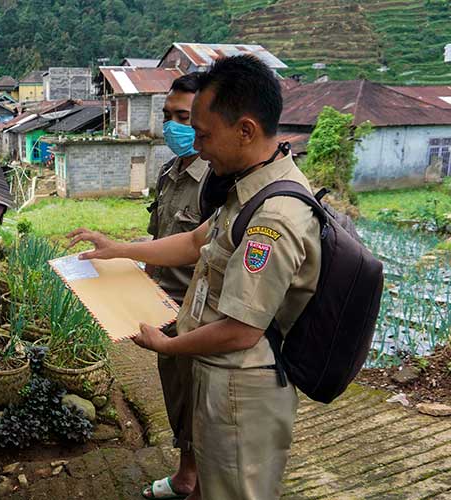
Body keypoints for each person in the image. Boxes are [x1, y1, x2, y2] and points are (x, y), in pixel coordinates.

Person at [68, 54, 320, 500]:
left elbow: (242, 330)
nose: (197, 146)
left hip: (244, 386)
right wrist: (118, 250)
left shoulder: (273, 216)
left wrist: (168, 345)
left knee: (235, 489)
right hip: (218, 374)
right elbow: (191, 243)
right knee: (210, 481)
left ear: (246, 129)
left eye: (204, 134)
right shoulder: (245, 188)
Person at [142, 74, 209, 500]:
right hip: (163, 306)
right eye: (167, 116)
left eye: (182, 116)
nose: (172, 126)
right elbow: (158, 240)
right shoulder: (168, 173)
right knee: (176, 398)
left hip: (198, 314)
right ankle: (186, 477)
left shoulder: (216, 182)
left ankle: (202, 485)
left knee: (200, 408)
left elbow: (198, 247)